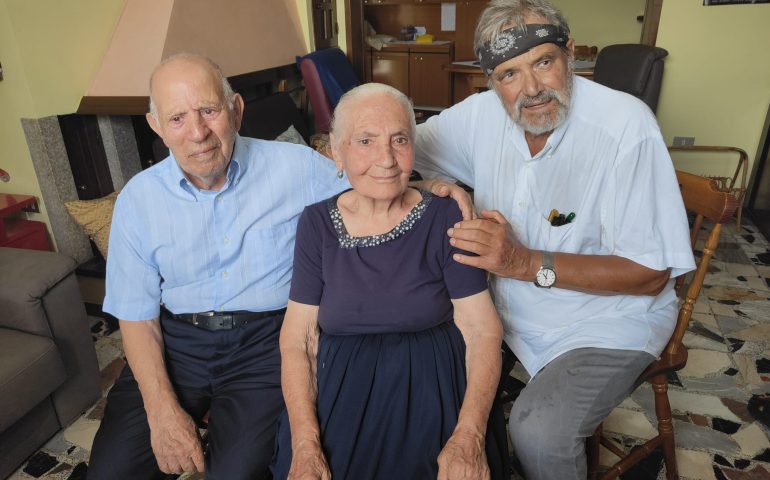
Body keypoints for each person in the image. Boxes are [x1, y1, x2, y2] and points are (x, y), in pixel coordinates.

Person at [87, 53, 468, 480]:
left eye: (209, 111)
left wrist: (431, 187)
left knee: (239, 473)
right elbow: (136, 316)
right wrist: (161, 412)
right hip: (175, 341)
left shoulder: (297, 167)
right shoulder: (138, 200)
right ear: (155, 125)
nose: (197, 133)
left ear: (236, 110)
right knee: (111, 472)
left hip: (264, 343)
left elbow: (372, 177)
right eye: (177, 118)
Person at [414, 1, 696, 479]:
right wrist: (434, 184)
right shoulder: (481, 116)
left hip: (607, 322)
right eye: (508, 75)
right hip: (509, 312)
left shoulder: (625, 127)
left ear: (569, 53)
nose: (531, 89)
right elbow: (399, 152)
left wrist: (522, 262)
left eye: (543, 62)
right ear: (490, 81)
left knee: (538, 430)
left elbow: (651, 274)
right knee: (417, 382)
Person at [271, 83, 508, 480]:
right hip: (341, 383)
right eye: (365, 140)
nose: (385, 158)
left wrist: (468, 435)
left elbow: (482, 330)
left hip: (432, 381)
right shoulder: (315, 223)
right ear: (336, 150)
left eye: (399, 139)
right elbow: (298, 339)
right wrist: (305, 442)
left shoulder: (446, 215)